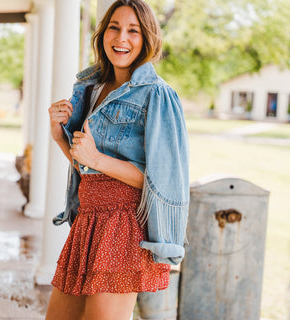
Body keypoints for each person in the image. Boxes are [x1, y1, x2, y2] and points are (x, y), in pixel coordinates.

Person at [46, 1, 189, 319]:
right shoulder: (91, 87)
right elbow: (87, 167)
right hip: (88, 222)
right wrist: (60, 136)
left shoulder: (157, 94)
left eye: (133, 30)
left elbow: (164, 183)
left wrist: (96, 159)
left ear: (146, 38)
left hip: (123, 227)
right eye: (114, 27)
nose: (121, 37)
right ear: (103, 33)